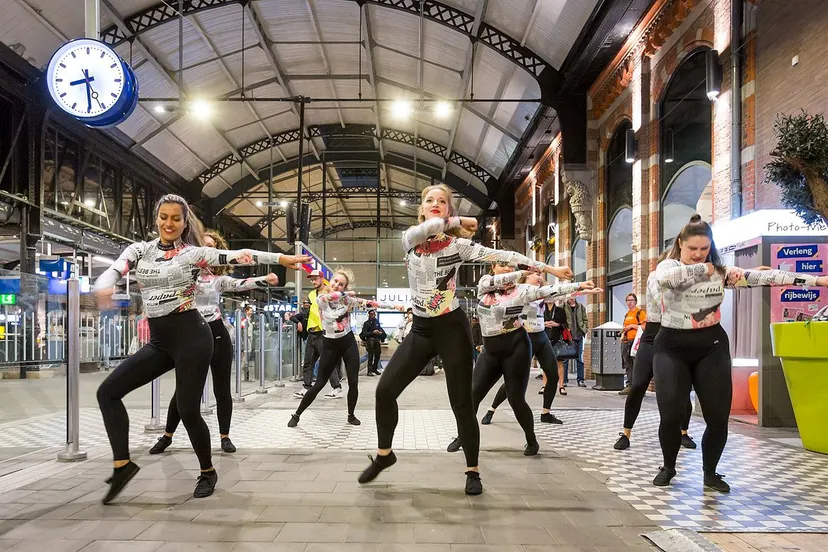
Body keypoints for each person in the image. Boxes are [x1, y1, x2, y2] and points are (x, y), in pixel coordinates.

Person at [357, 183, 573, 495]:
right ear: (421, 209)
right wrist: (459, 222)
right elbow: (430, 229)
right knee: (384, 391)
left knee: (461, 404)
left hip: (451, 329)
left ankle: (472, 470)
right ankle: (384, 455)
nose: (435, 204)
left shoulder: (457, 247)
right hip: (420, 329)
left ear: (449, 209)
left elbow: (504, 254)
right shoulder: (409, 239)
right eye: (429, 199)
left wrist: (548, 266)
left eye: (442, 201)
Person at [94, 193, 309, 505]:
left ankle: (207, 471)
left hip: (193, 337)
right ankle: (122, 465)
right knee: (107, 393)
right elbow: (115, 269)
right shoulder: (139, 251)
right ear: (156, 219)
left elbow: (239, 255)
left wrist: (280, 259)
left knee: (188, 409)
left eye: (176, 218)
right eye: (164, 217)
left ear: (184, 223)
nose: (169, 223)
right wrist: (104, 284)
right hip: (160, 341)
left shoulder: (193, 255)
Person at [651, 214, 828, 492]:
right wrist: (711, 270)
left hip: (712, 346)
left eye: (704, 249)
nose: (698, 255)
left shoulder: (720, 271)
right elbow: (666, 280)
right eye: (692, 249)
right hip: (671, 348)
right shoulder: (669, 266)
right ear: (680, 245)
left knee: (718, 417)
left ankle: (710, 473)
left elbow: (767, 276)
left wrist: (818, 281)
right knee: (671, 414)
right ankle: (668, 466)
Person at [148, 229, 279, 456]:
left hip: (217, 333)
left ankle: (225, 437)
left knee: (222, 389)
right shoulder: (181, 275)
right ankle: (167, 436)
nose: (205, 253)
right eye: (202, 247)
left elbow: (238, 284)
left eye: (210, 248)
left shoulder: (218, 280)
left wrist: (263, 279)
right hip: (190, 336)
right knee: (184, 391)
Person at [447, 265, 592, 455]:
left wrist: (579, 285)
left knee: (516, 399)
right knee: (472, 395)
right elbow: (488, 282)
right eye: (502, 265)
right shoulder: (485, 283)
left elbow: (549, 291)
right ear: (493, 267)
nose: (506, 268)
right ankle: (462, 436)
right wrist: (521, 272)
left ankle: (532, 441)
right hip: (490, 351)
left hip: (517, 349)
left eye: (510, 266)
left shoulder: (523, 290)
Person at [481, 272, 602, 425]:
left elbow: (560, 293)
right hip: (526, 339)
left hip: (541, 338)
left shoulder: (541, 293)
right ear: (526, 277)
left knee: (553, 375)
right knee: (515, 380)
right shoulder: (519, 292)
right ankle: (492, 409)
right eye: (535, 274)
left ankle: (546, 413)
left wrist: (587, 291)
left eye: (540, 274)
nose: (539, 276)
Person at [288, 268, 402, 427]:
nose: (337, 285)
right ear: (331, 280)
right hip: (329, 344)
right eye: (335, 281)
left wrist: (394, 306)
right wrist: (346, 294)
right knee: (319, 383)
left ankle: (351, 415)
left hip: (347, 342)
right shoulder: (320, 297)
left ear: (344, 287)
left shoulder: (347, 299)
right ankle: (297, 414)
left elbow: (369, 303)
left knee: (353, 382)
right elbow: (329, 298)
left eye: (341, 284)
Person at [614, 252, 696, 452]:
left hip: (676, 335)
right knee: (638, 384)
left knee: (682, 390)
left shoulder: (687, 279)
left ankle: (683, 432)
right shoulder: (654, 277)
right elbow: (661, 299)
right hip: (652, 336)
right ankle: (626, 433)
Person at [295, 270, 343, 399]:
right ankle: (306, 387)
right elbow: (309, 311)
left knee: (327, 362)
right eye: (311, 279)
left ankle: (337, 388)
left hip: (324, 332)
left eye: (315, 279)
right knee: (308, 362)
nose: (313, 281)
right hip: (312, 332)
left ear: (322, 278)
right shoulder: (311, 294)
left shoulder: (329, 292)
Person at [619, 293, 645, 395]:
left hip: (636, 342)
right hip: (626, 342)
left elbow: (644, 327)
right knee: (628, 364)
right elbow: (625, 326)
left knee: (636, 364)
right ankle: (629, 385)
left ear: (635, 301)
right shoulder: (627, 314)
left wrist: (631, 326)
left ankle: (637, 387)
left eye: (631, 300)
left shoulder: (640, 313)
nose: (630, 302)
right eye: (628, 300)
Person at [544, 300, 569, 396]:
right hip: (545, 337)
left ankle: (561, 385)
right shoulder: (541, 310)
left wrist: (556, 324)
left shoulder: (560, 310)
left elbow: (565, 324)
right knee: (545, 362)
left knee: (559, 362)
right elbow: (535, 323)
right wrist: (544, 324)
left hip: (557, 338)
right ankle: (544, 385)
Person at [563, 296, 588, 387]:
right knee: (565, 359)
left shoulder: (581, 307)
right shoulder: (563, 307)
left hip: (578, 336)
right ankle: (564, 380)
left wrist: (584, 329)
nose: (571, 298)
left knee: (579, 358)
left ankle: (580, 380)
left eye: (573, 296)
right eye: (569, 296)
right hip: (567, 337)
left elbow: (585, 319)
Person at [360, 309, 386, 376]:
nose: (373, 315)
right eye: (371, 314)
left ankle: (375, 368)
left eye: (374, 314)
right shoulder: (366, 323)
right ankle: (369, 371)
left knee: (378, 355)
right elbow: (364, 333)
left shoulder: (377, 321)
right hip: (370, 340)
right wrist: (372, 332)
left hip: (377, 340)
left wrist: (380, 333)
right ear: (369, 315)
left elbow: (380, 329)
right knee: (370, 356)